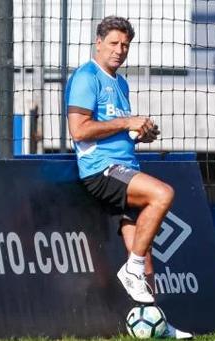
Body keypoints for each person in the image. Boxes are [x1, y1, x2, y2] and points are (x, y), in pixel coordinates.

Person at [64, 16, 192, 339]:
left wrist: (137, 135)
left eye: (125, 45)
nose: (120, 50)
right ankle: (130, 268)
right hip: (101, 171)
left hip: (124, 168)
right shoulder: (86, 78)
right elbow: (79, 131)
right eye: (114, 43)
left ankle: (159, 325)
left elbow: (116, 130)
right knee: (162, 195)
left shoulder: (120, 83)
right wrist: (126, 123)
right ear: (98, 43)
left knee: (148, 263)